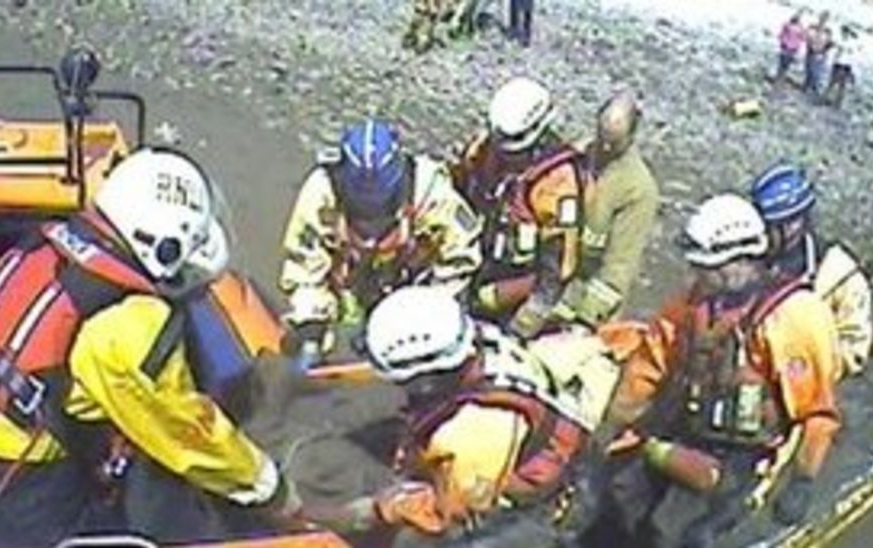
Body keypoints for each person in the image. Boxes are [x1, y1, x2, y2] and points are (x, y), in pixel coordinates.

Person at [0, 148, 312, 545]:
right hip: (23, 481)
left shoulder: (40, 248)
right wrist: (267, 485)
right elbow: (185, 429)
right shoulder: (130, 322)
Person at [588, 194, 841, 548]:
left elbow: (817, 413)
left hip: (751, 459)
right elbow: (647, 371)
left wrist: (802, 480)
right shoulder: (691, 308)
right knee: (616, 503)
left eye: (708, 268)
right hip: (691, 433)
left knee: (695, 538)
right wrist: (609, 432)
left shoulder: (794, 316)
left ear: (741, 259)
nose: (698, 276)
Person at [324, 285, 622, 545]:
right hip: (550, 445)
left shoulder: (472, 434)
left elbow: (450, 514)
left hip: (546, 510)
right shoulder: (479, 343)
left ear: (426, 379)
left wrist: (386, 507)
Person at [279, 119, 482, 360]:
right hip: (350, 283)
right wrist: (311, 323)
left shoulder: (430, 192)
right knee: (307, 340)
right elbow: (303, 266)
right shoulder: (320, 194)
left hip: (414, 284)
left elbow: (460, 258)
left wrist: (428, 315)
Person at [453, 76, 590, 340]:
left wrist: (528, 320)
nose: (503, 154)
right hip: (475, 261)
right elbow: (457, 187)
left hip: (519, 283)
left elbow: (557, 269)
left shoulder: (558, 186)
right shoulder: (484, 150)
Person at [750, 162, 873, 379]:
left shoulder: (839, 273)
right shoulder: (747, 259)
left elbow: (855, 349)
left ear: (793, 224)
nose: (762, 234)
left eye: (768, 227)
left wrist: (805, 364)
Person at [555, 91, 661, 329]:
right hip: (555, 277)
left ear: (632, 137)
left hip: (586, 295)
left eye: (613, 143)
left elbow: (619, 267)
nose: (604, 147)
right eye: (601, 137)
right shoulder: (576, 156)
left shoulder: (637, 190)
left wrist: (584, 322)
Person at [825, 26, 859, 108]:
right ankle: (837, 103)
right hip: (842, 65)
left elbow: (847, 54)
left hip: (842, 65)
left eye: (843, 32)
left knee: (834, 84)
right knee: (840, 86)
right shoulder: (847, 42)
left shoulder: (848, 43)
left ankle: (831, 101)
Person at [804, 12, 834, 100]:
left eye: (825, 19)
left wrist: (823, 50)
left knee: (816, 72)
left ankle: (813, 89)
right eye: (822, 18)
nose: (823, 21)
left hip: (820, 54)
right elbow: (807, 37)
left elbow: (830, 43)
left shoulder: (828, 31)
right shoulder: (813, 27)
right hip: (811, 52)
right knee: (809, 69)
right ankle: (807, 86)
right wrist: (810, 45)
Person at [773, 11, 806, 83]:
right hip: (790, 48)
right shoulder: (797, 27)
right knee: (785, 65)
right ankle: (780, 78)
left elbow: (781, 35)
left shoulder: (788, 25)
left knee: (782, 64)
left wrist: (781, 40)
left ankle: (779, 77)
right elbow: (803, 38)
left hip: (788, 47)